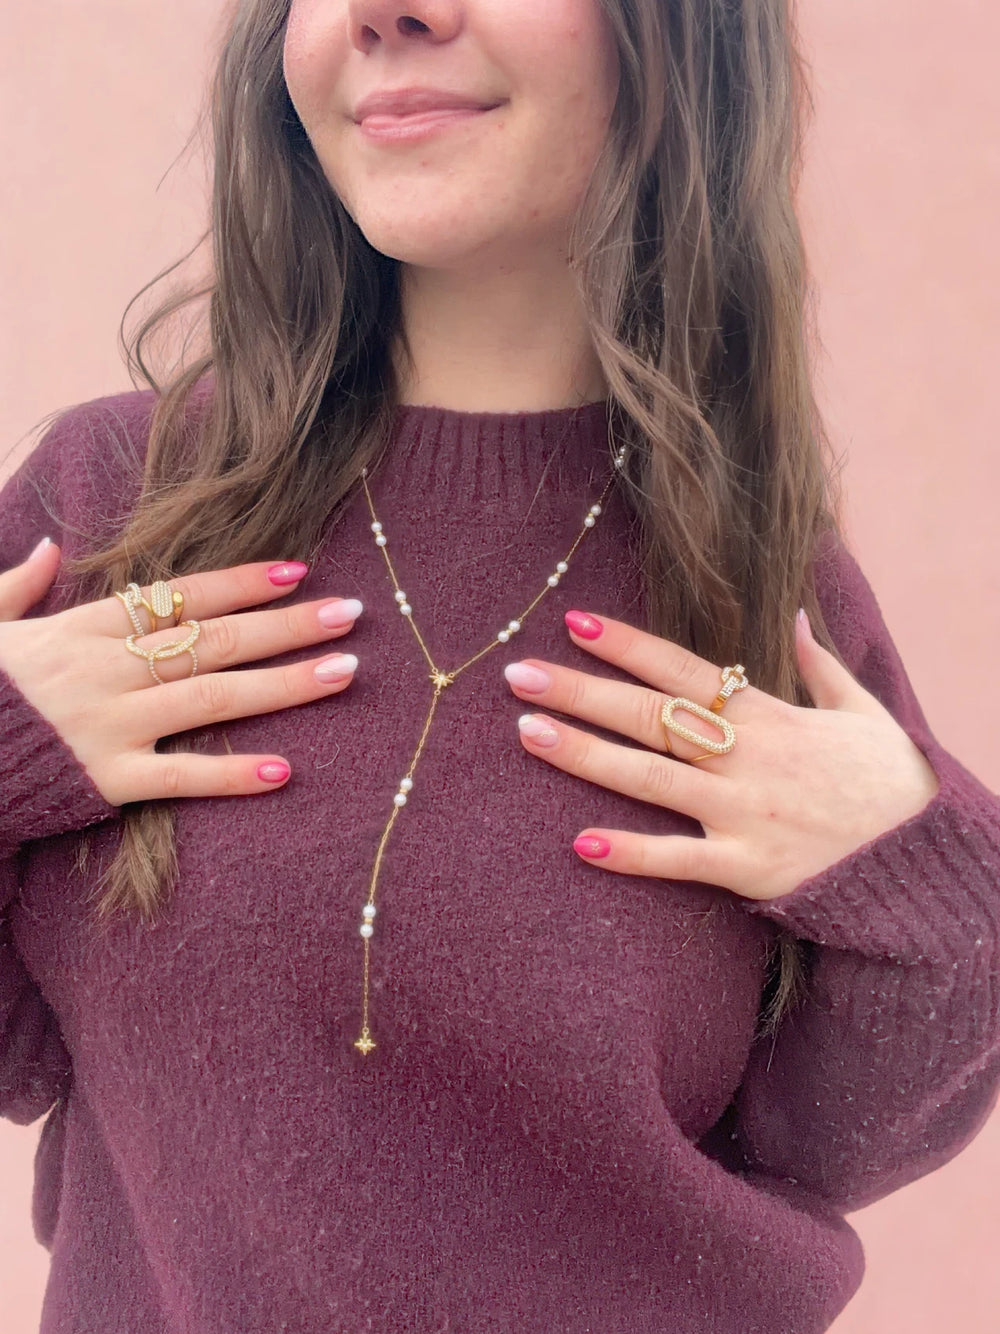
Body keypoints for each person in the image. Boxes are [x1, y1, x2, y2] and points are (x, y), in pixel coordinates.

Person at [1, 1, 998, 1330]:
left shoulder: (756, 581)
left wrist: (927, 880)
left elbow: (834, 1136)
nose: (386, 8)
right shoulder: (114, 506)